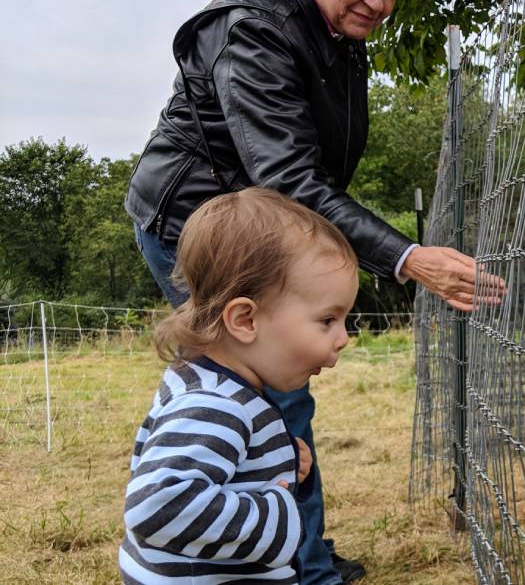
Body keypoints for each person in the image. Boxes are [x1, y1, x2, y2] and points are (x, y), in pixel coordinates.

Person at [124, 0, 504, 582]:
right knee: (267, 384)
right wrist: (406, 256)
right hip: (201, 227)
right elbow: (289, 175)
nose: (380, 2)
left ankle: (298, 554)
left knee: (274, 389)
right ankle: (299, 561)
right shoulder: (255, 25)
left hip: (260, 225)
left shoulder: (332, 28)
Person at [120, 188, 359, 584]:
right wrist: (278, 513)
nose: (343, 337)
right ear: (246, 320)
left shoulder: (216, 385)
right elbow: (157, 508)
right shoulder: (215, 405)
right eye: (327, 320)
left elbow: (218, 472)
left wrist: (276, 464)